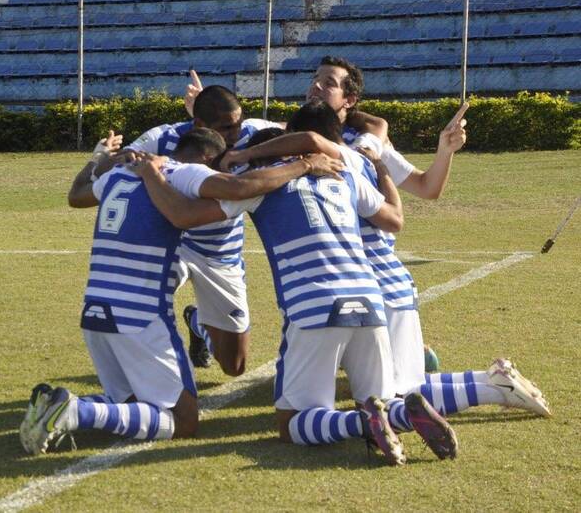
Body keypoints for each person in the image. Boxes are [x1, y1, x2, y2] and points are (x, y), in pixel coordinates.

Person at [135, 116, 460, 465]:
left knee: (292, 423)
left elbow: (185, 215)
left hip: (314, 306)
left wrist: (154, 175)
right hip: (370, 302)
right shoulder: (345, 173)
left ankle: (361, 421)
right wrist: (379, 167)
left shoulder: (261, 186)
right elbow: (394, 216)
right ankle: (401, 416)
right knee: (380, 399)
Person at [19, 128, 343, 455]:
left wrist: (98, 159)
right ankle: (77, 411)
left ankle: (55, 405)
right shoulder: (181, 172)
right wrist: (304, 166)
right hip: (141, 316)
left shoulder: (119, 173)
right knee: (184, 421)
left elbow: (77, 195)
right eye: (218, 164)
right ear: (206, 159)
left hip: (95, 313)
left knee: (131, 403)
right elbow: (239, 187)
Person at [219, 102, 551, 420]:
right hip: (392, 279)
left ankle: (489, 386)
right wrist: (384, 168)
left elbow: (310, 140)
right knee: (403, 386)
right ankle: (489, 379)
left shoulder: (338, 158)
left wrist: (247, 154)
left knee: (399, 394)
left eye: (326, 84)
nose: (316, 89)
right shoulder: (365, 150)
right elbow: (395, 203)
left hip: (368, 285)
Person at [124, 84, 282, 370]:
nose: (235, 136)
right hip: (174, 245)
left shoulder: (251, 133)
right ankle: (140, 364)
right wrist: (145, 162)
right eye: (226, 128)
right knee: (138, 295)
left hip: (221, 254)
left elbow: (297, 130)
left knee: (234, 366)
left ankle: (197, 323)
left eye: (238, 125)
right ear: (199, 124)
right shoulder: (165, 137)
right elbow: (123, 159)